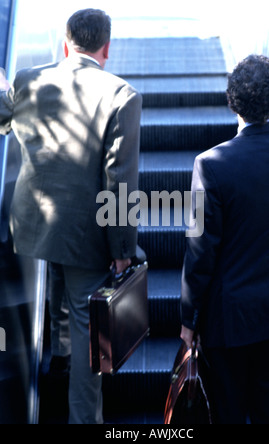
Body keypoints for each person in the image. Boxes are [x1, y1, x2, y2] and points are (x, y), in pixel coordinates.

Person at [0, 8, 142, 424]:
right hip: (85, 234)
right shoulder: (121, 95)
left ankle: (57, 356)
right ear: (107, 47)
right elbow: (120, 181)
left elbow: (4, 120)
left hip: (33, 224)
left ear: (66, 44)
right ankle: (84, 417)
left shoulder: (29, 79)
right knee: (88, 328)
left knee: (58, 281)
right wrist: (122, 250)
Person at [181, 55, 269, 424]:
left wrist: (189, 318)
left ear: (231, 102)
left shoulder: (212, 164)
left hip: (228, 319)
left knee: (228, 411)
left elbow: (201, 251)